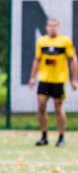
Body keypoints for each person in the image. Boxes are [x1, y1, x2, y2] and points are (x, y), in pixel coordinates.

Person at [28, 17, 78, 147]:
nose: (52, 28)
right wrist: (33, 77)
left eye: (55, 26)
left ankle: (61, 137)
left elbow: (72, 60)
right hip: (44, 80)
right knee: (41, 105)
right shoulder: (41, 41)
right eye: (50, 25)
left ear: (58, 27)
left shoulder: (64, 41)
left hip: (58, 81)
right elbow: (37, 60)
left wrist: (75, 79)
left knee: (58, 107)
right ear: (46, 27)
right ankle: (44, 136)